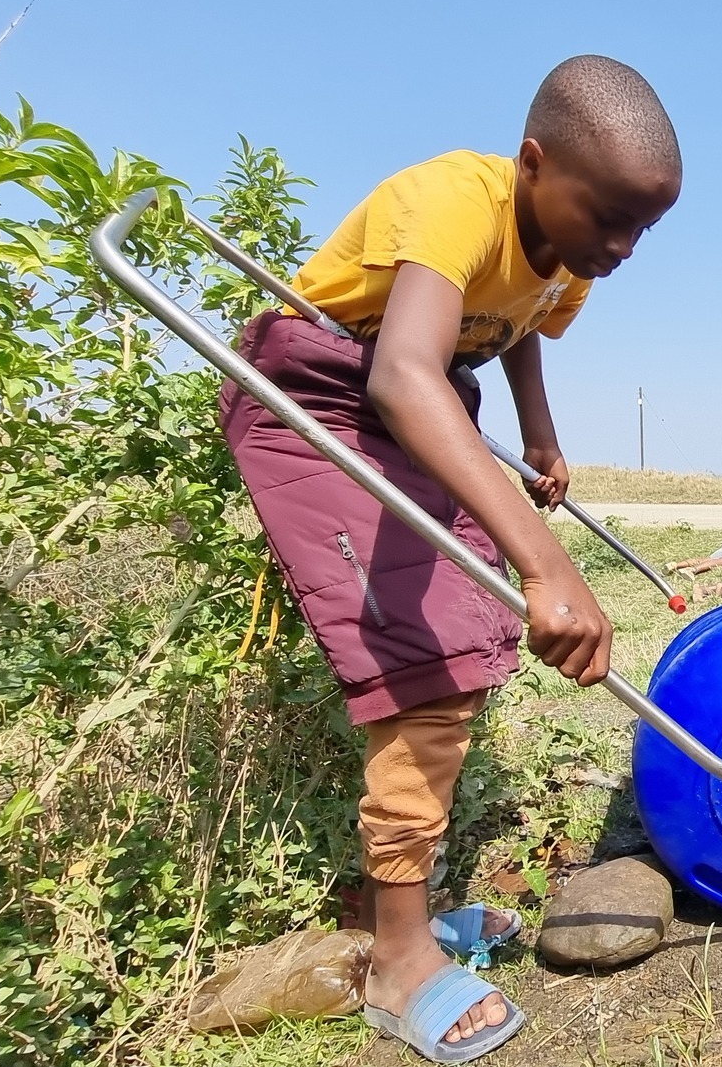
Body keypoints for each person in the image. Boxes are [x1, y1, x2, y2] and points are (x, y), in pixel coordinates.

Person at [219, 55, 681, 1061]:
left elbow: (518, 323)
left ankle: (407, 917)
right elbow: (399, 372)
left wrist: (542, 435)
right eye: (606, 216)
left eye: (640, 227)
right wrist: (546, 568)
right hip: (325, 398)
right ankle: (395, 961)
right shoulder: (450, 200)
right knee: (422, 655)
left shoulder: (571, 252)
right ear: (531, 163)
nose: (620, 245)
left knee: (469, 642)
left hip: (420, 398)